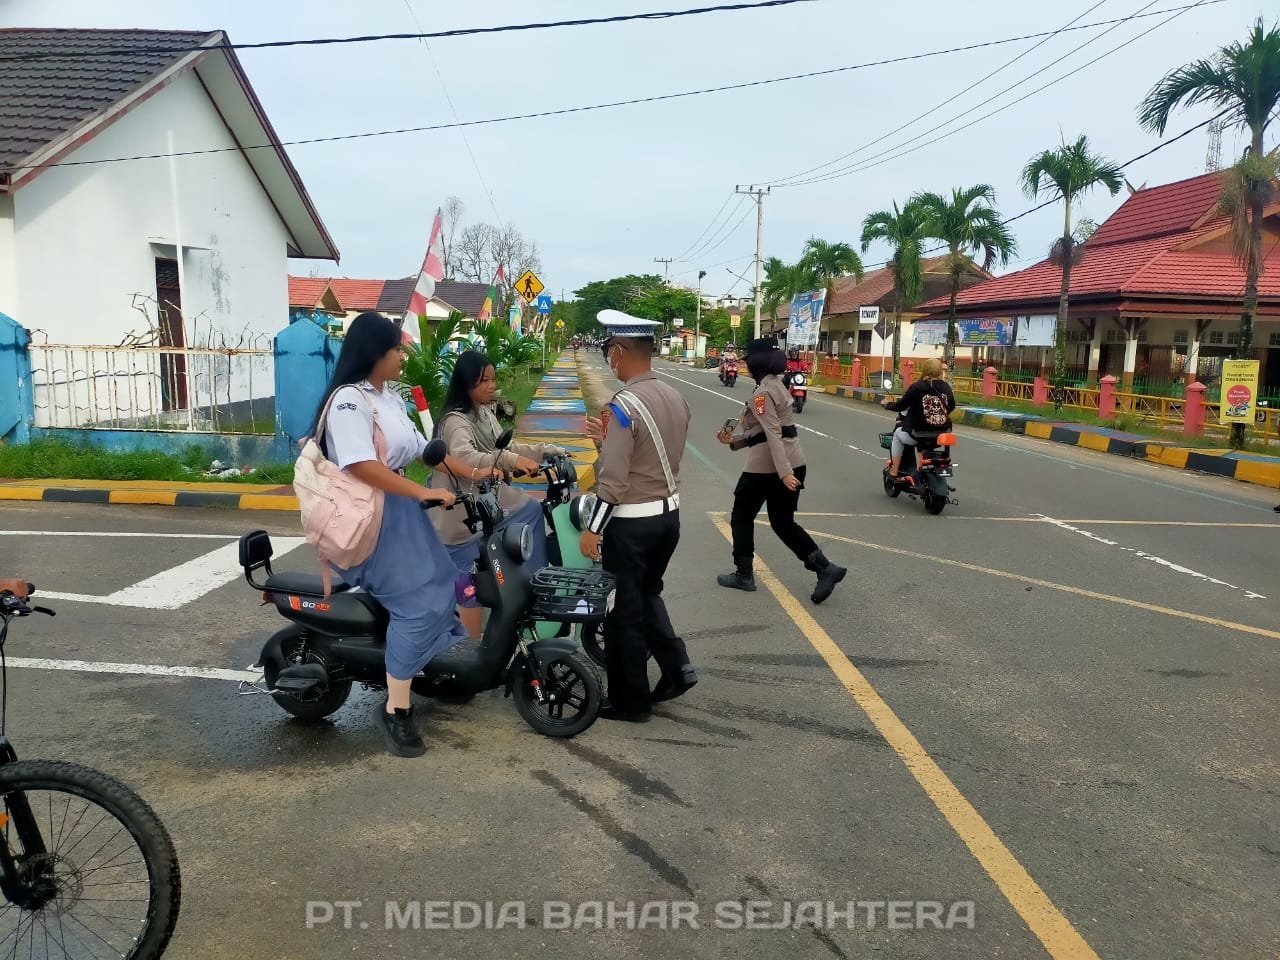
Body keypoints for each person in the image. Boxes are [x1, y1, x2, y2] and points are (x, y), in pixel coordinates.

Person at [314, 311, 486, 759]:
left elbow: (422, 451)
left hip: (401, 510)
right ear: (375, 354)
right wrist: (416, 492)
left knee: (452, 584)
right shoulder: (349, 401)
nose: (403, 354)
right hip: (370, 518)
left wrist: (461, 474)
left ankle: (420, 668)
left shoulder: (389, 397)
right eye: (396, 349)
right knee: (419, 602)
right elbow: (360, 465)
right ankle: (396, 708)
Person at [581, 310, 695, 722]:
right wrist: (605, 442)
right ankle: (677, 667)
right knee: (647, 594)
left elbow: (613, 481)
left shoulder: (625, 404)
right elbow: (647, 457)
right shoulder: (674, 396)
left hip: (630, 525)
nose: (610, 359)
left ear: (620, 350)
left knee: (622, 615)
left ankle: (631, 703)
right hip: (668, 518)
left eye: (610, 351)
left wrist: (593, 531)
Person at [429, 351, 567, 637]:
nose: (491, 386)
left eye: (493, 379)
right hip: (459, 512)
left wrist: (545, 450)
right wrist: (511, 462)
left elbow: (507, 447)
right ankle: (468, 647)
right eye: (484, 380)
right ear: (467, 383)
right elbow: (467, 457)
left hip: (483, 503)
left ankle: (529, 582)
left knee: (528, 510)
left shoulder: (483, 413)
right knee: (467, 583)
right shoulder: (455, 421)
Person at [716, 337, 847, 604]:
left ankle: (744, 574)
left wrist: (784, 472)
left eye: (748, 361)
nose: (746, 365)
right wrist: (736, 441)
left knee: (741, 516)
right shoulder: (777, 385)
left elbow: (773, 433)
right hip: (794, 461)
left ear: (755, 362)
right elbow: (767, 431)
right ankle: (824, 568)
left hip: (768, 468)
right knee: (782, 522)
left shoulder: (763, 393)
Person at [880, 357, 956, 481]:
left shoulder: (916, 387)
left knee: (898, 435)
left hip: (919, 433)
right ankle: (922, 469)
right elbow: (951, 406)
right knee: (922, 440)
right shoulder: (946, 387)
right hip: (942, 433)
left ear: (925, 371)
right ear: (939, 371)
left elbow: (901, 406)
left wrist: (887, 404)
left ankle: (894, 471)